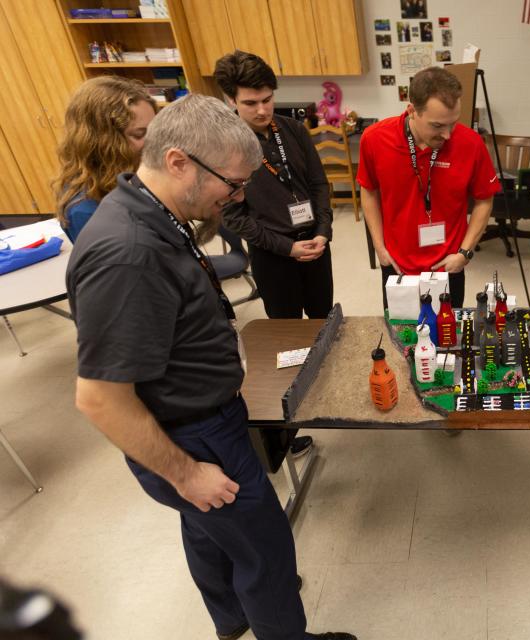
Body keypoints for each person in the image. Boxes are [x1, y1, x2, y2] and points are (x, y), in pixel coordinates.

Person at [66, 94, 355, 640]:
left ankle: (232, 620)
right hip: (192, 437)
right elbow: (100, 398)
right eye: (232, 182)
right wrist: (185, 472)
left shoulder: (151, 213)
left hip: (199, 418)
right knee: (265, 552)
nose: (237, 196)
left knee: (207, 529)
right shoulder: (130, 253)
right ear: (178, 162)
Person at [215, 50, 332, 458]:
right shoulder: (224, 147)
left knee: (321, 324)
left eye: (268, 98)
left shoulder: (292, 129)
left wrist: (322, 232)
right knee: (286, 336)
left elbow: (319, 185)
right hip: (273, 255)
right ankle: (292, 421)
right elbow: (234, 217)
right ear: (231, 100)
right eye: (251, 102)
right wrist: (287, 246)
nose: (263, 109)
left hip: (314, 246)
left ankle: (327, 394)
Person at [358, 66, 500, 310]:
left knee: (447, 339)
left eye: (453, 123)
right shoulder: (374, 139)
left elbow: (484, 200)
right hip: (397, 265)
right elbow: (369, 190)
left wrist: (464, 254)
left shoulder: (471, 144)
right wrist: (379, 248)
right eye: (437, 126)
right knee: (402, 338)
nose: (447, 134)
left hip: (449, 266)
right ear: (412, 111)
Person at [53, 76, 157, 242]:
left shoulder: (131, 174)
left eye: (154, 131)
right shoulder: (85, 210)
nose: (154, 142)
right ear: (103, 142)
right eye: (139, 134)